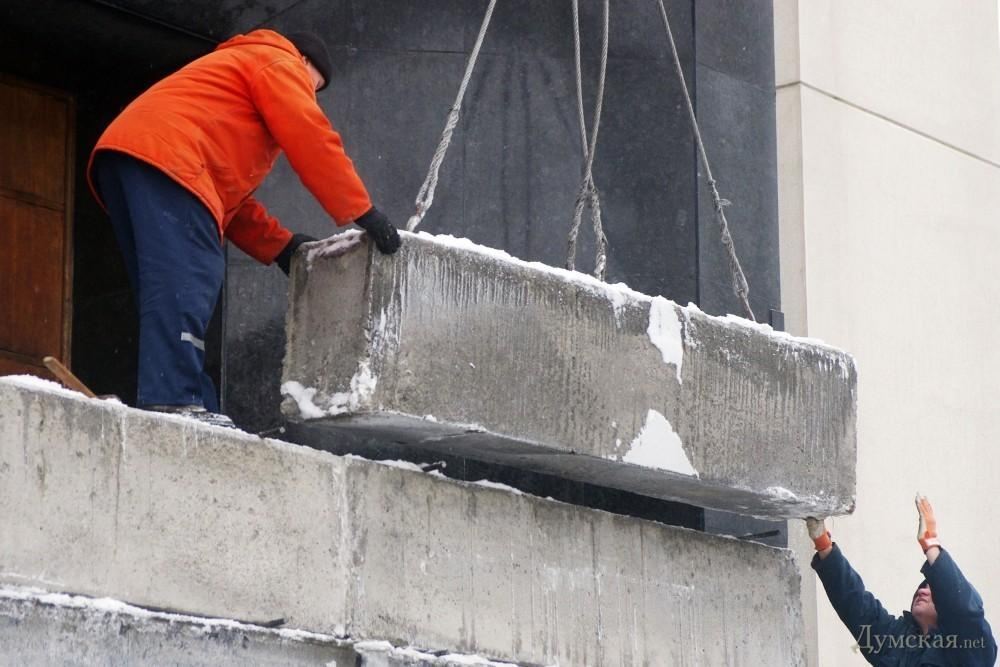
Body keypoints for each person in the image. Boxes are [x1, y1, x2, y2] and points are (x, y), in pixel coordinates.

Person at [87, 29, 400, 427]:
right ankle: (173, 398)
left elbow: (224, 198)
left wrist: (281, 246)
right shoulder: (277, 61)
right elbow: (311, 136)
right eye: (312, 86)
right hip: (166, 161)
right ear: (303, 62)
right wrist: (363, 210)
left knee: (168, 285)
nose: (310, 94)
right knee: (189, 277)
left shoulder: (232, 79)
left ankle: (186, 397)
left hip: (134, 160)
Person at [807, 495, 996, 666]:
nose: (922, 591)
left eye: (932, 590)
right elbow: (856, 605)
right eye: (922, 588)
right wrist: (824, 545)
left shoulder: (971, 648)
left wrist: (931, 545)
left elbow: (962, 608)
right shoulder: (897, 639)